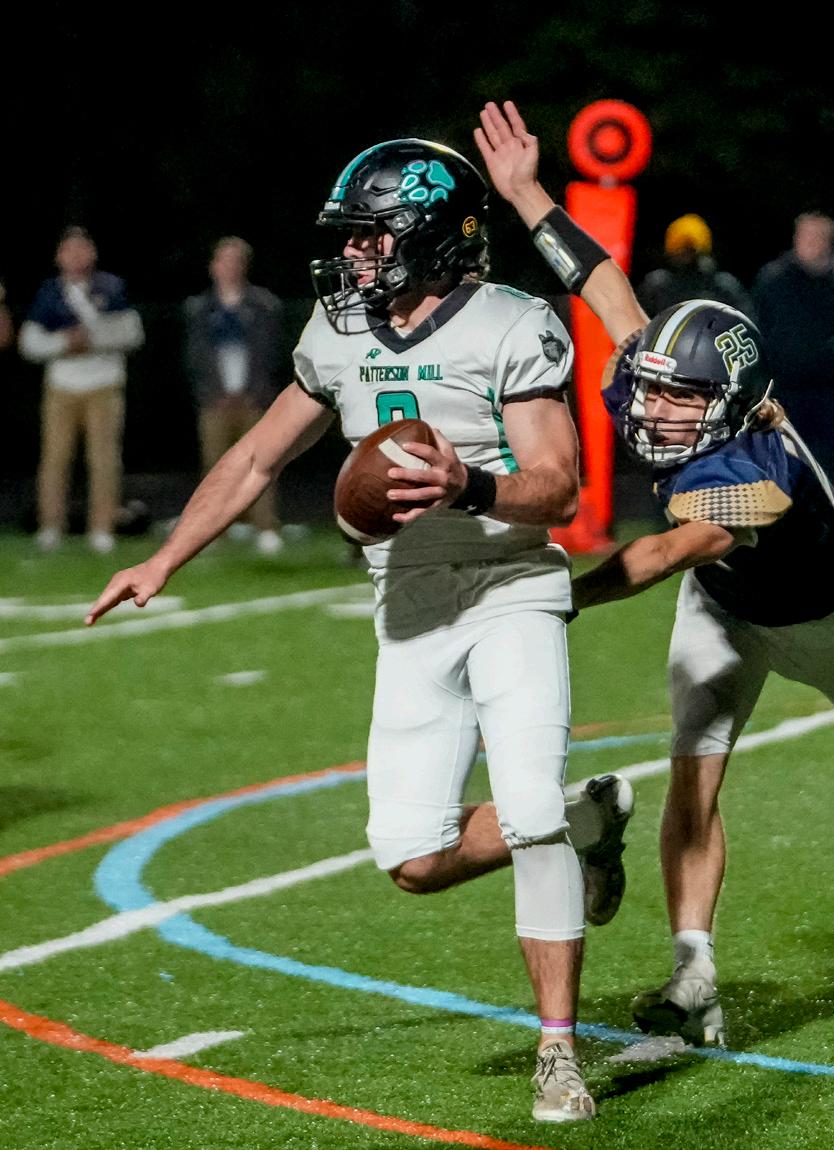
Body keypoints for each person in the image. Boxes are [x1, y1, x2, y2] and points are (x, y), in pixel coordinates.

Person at [86, 138, 636, 1123]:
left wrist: (468, 483)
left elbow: (559, 487)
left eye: (372, 236)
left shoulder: (511, 322)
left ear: (433, 237)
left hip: (509, 586)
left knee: (526, 811)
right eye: (350, 238)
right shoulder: (337, 330)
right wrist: (164, 558)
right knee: (413, 861)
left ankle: (557, 1049)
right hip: (408, 601)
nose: (353, 254)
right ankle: (588, 818)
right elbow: (256, 457)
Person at [475, 99, 834, 1049]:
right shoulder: (672, 388)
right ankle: (694, 974)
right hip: (723, 606)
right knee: (693, 769)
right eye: (651, 385)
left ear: (727, 405)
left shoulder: (756, 474)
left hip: (826, 616)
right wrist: (526, 195)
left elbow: (661, 551)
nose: (651, 407)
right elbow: (601, 283)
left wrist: (556, 596)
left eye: (678, 396)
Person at [18, 226, 144, 553]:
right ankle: (51, 526)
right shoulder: (49, 293)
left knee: (104, 459)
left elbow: (132, 332)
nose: (75, 256)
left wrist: (93, 340)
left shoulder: (111, 287)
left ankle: (102, 527)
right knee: (55, 458)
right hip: (62, 385)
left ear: (92, 253)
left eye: (81, 249)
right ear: (59, 257)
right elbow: (29, 342)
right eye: (69, 250)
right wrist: (63, 343)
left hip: (104, 383)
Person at [751, 213, 834, 526]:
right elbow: (758, 328)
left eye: (818, 237)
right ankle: (788, 522)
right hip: (786, 388)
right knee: (786, 458)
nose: (811, 243)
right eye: (806, 236)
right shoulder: (773, 279)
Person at [184, 236, 287, 555]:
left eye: (235, 261)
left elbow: (272, 354)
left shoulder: (264, 305)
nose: (229, 267)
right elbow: (195, 357)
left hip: (253, 399)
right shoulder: (200, 308)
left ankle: (265, 527)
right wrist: (212, 393)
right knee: (214, 468)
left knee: (261, 464)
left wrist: (255, 392)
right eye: (224, 260)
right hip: (215, 401)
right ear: (213, 266)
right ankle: (211, 530)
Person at [636, 213, 751, 317]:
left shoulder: (722, 286)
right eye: (680, 249)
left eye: (689, 250)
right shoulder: (657, 286)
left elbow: (745, 321)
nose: (684, 255)